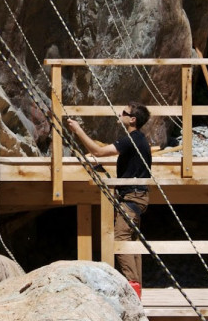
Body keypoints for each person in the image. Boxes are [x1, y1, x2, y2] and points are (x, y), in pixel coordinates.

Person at [66, 102, 152, 297]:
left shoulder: (131, 140)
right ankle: (137, 288)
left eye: (124, 113)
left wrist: (78, 130)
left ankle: (133, 286)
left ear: (132, 119)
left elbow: (98, 151)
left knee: (121, 238)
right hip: (137, 196)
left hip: (132, 197)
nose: (119, 114)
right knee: (131, 241)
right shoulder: (140, 140)